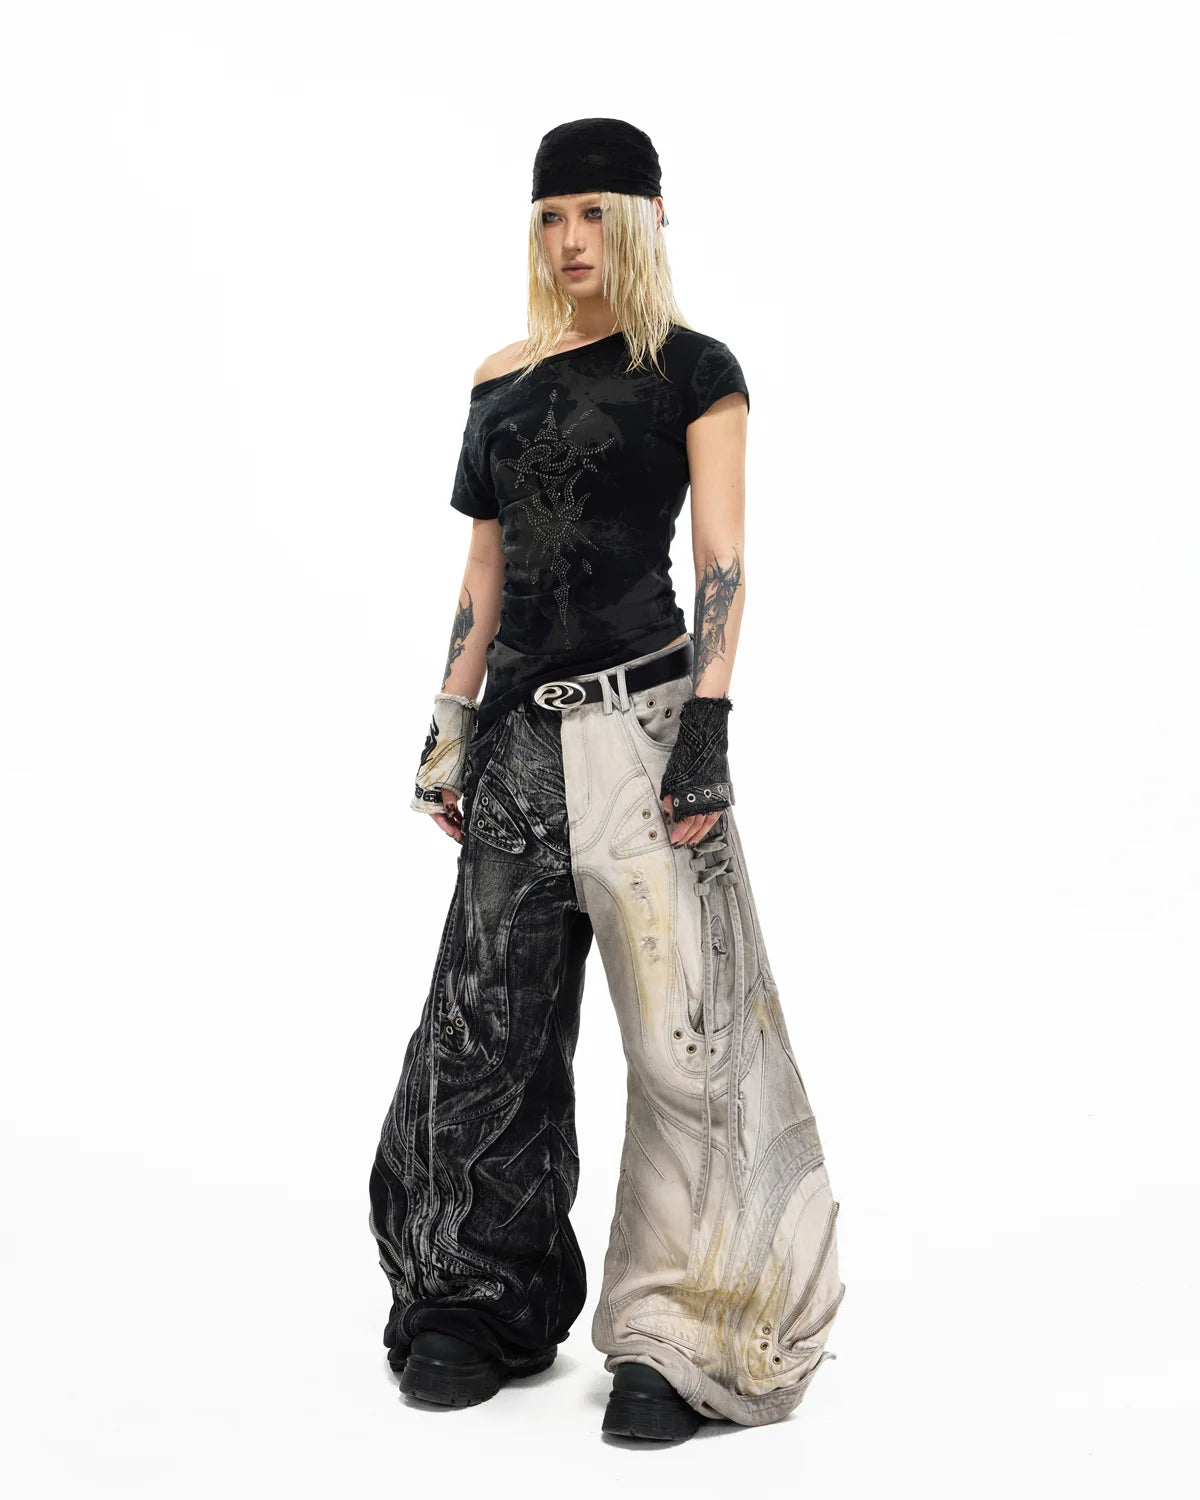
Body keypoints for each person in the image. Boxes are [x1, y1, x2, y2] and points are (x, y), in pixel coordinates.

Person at [368, 117, 843, 1443]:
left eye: (594, 213)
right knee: (486, 1033)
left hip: (644, 730)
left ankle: (683, 1335)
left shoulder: (694, 369)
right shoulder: (500, 379)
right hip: (518, 743)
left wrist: (711, 727)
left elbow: (723, 560)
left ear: (644, 217)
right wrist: (449, 726)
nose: (570, 240)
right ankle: (476, 1300)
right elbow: (484, 571)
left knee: (685, 1040)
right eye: (550, 217)